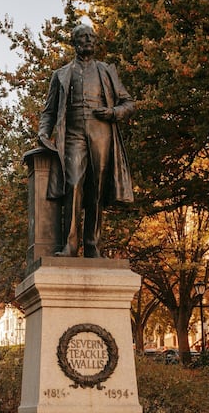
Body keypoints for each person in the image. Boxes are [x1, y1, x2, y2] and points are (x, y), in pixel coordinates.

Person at [38, 23, 136, 258]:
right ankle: (70, 245)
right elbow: (49, 110)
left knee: (97, 189)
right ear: (74, 42)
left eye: (91, 37)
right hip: (72, 134)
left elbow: (128, 103)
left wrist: (113, 113)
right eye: (83, 37)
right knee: (73, 184)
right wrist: (43, 132)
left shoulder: (106, 71)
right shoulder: (61, 74)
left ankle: (92, 245)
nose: (88, 41)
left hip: (101, 133)